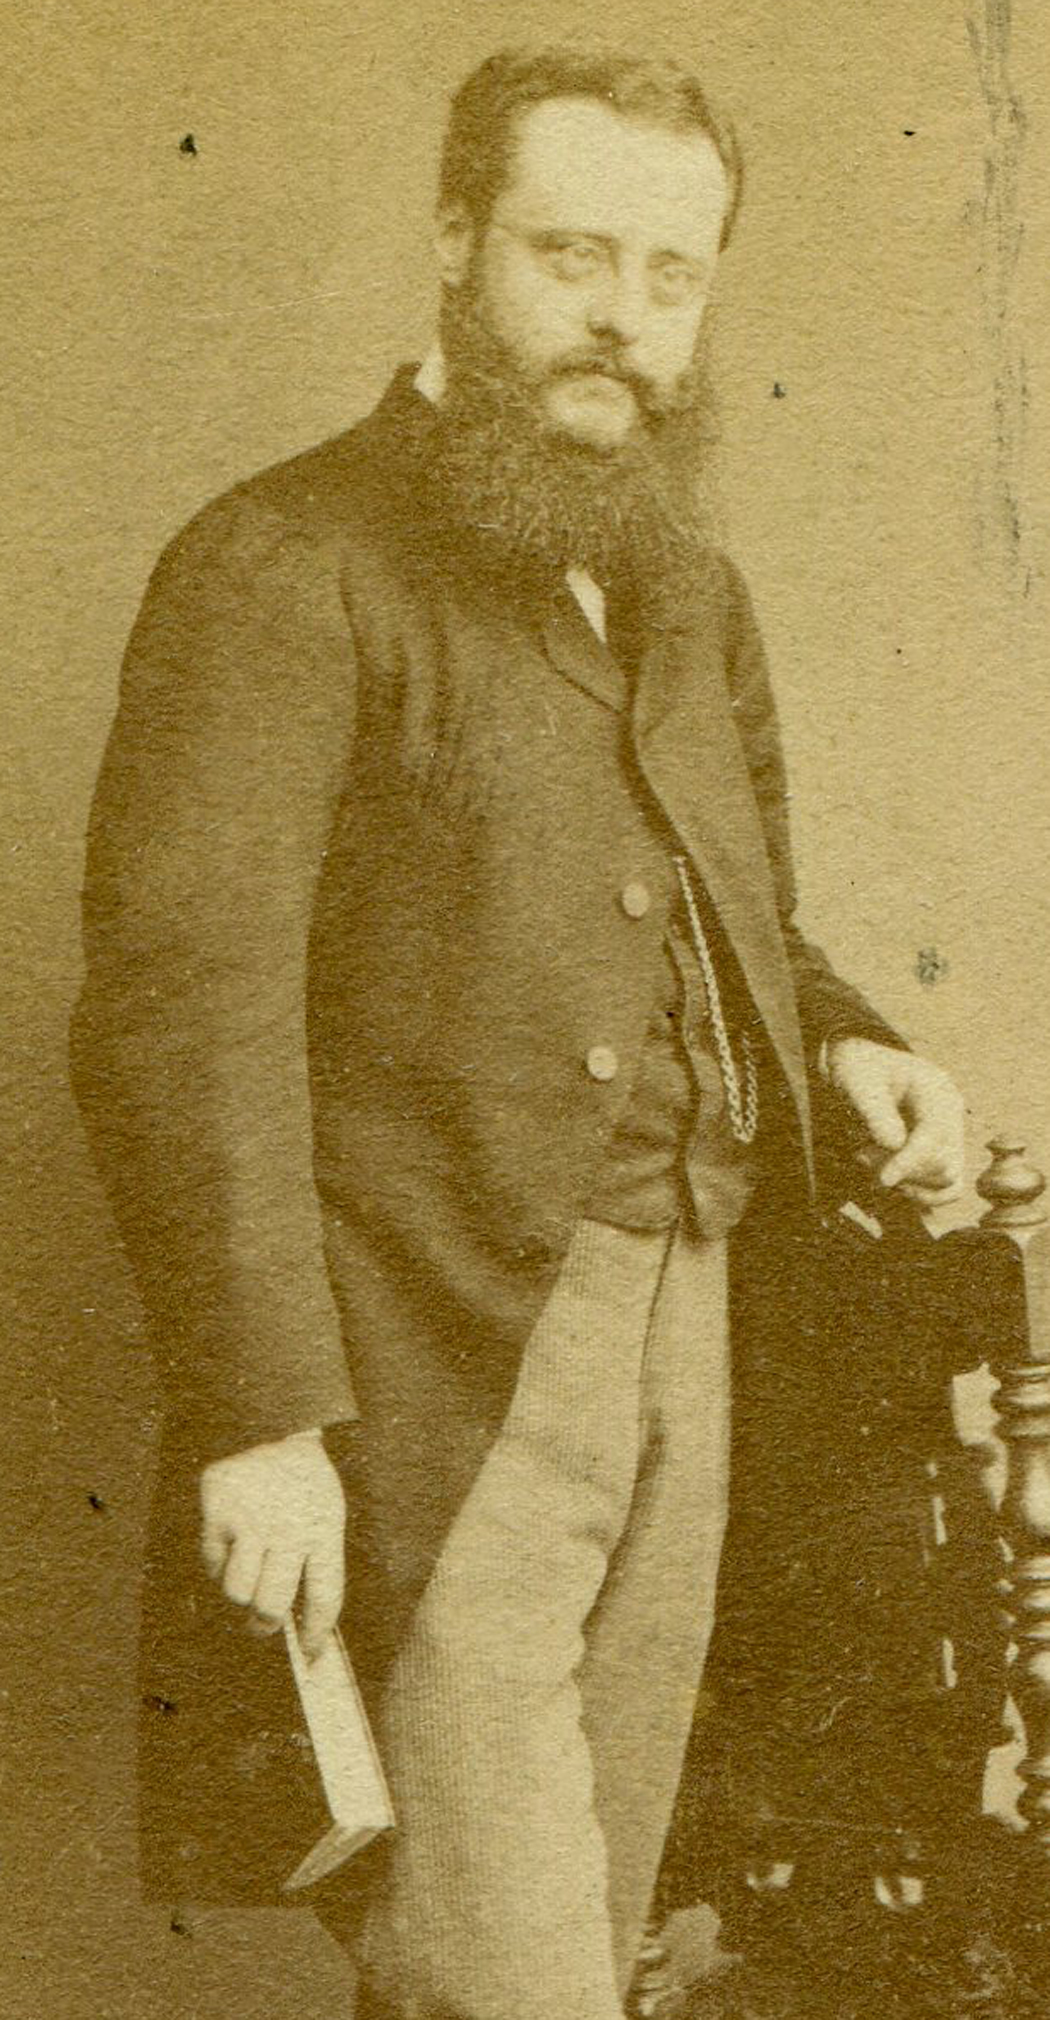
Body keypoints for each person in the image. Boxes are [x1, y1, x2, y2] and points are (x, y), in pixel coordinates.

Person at [70, 44, 966, 2020]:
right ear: (458, 240)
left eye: (670, 273)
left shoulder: (686, 590)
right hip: (427, 1366)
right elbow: (178, 1017)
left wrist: (845, 1042)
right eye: (572, 255)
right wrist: (259, 1415)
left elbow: (741, 914)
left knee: (580, 1929)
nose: (622, 318)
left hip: (692, 1326)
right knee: (511, 1965)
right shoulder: (283, 561)